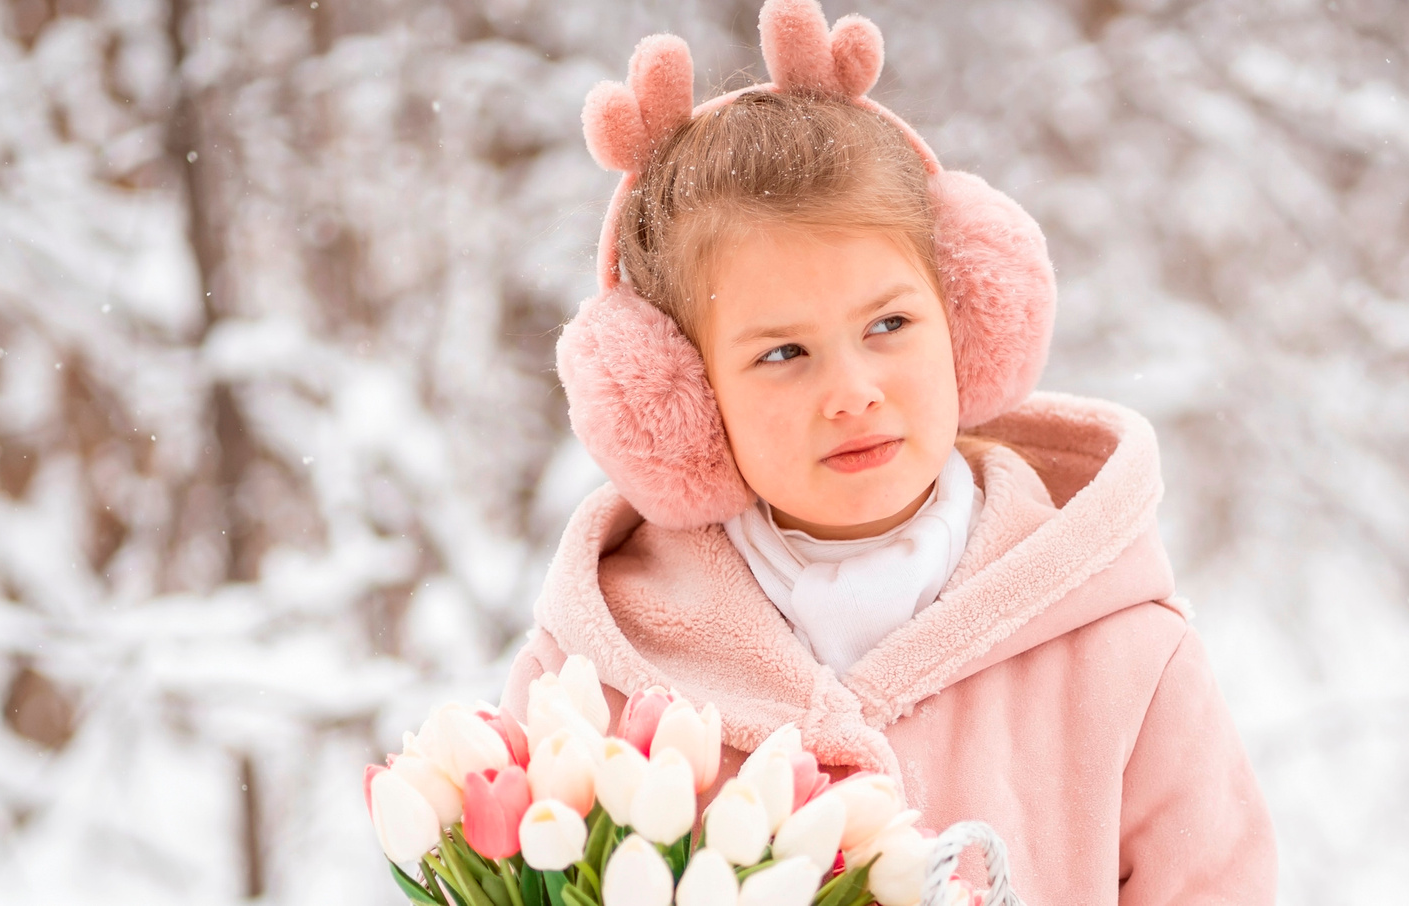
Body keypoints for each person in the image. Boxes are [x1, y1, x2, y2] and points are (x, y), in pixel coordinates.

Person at [503, 2, 1276, 903]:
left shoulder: (1122, 659)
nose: (853, 390)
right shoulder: (598, 680)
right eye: (782, 353)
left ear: (969, 319)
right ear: (680, 407)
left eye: (890, 323)